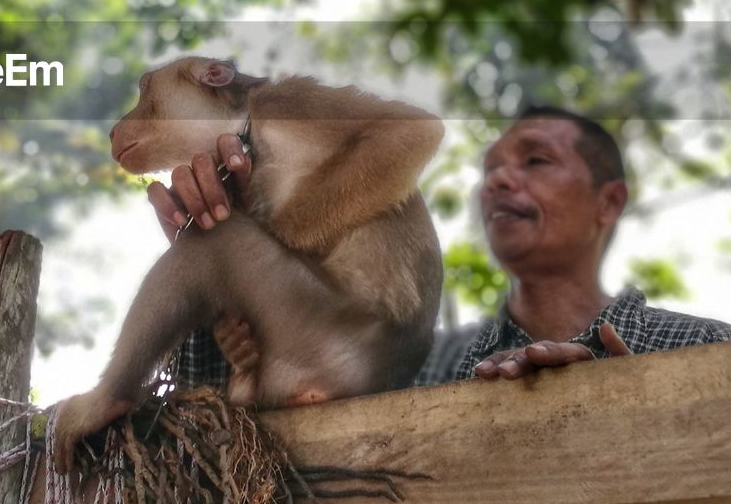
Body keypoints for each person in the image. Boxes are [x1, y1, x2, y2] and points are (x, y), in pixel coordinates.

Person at [150, 106, 731, 391]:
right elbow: (228, 427)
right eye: (492, 169)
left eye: (536, 160)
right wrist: (220, 253)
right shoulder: (418, 363)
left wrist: (645, 406)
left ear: (608, 203)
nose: (501, 181)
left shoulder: (704, 349)